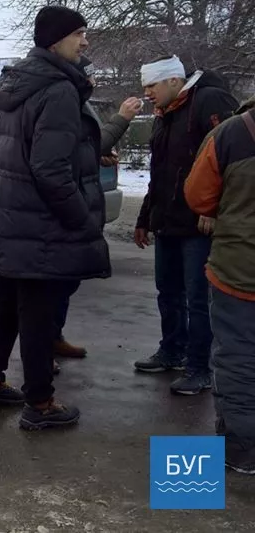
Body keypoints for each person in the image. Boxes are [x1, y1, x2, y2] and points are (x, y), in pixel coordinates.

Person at [0, 6, 110, 431]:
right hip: (41, 225)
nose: (85, 42)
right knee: (37, 314)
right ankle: (40, 404)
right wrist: (82, 220)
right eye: (79, 34)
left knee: (3, 307)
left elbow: (0, 152)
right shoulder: (58, 90)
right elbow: (51, 170)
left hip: (9, 217)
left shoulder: (13, 84)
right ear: (55, 40)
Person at [131, 55, 239, 396]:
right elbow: (161, 172)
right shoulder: (166, 115)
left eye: (152, 85)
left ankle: (199, 367)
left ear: (174, 82)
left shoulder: (209, 101)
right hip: (168, 221)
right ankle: (172, 350)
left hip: (199, 225)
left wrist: (214, 208)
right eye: (145, 86)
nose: (146, 92)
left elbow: (232, 158)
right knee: (169, 292)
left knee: (198, 298)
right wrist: (145, 218)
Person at [53, 56, 143, 363]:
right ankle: (40, 350)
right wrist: (122, 118)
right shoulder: (63, 101)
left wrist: (92, 157)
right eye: (90, 76)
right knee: (51, 285)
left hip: (78, 204)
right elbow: (68, 152)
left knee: (67, 279)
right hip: (64, 210)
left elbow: (82, 148)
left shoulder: (78, 101)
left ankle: (53, 338)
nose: (94, 81)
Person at [184, 96, 255, 474]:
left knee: (239, 360)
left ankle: (241, 452)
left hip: (240, 271)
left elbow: (198, 197)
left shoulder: (232, 133)